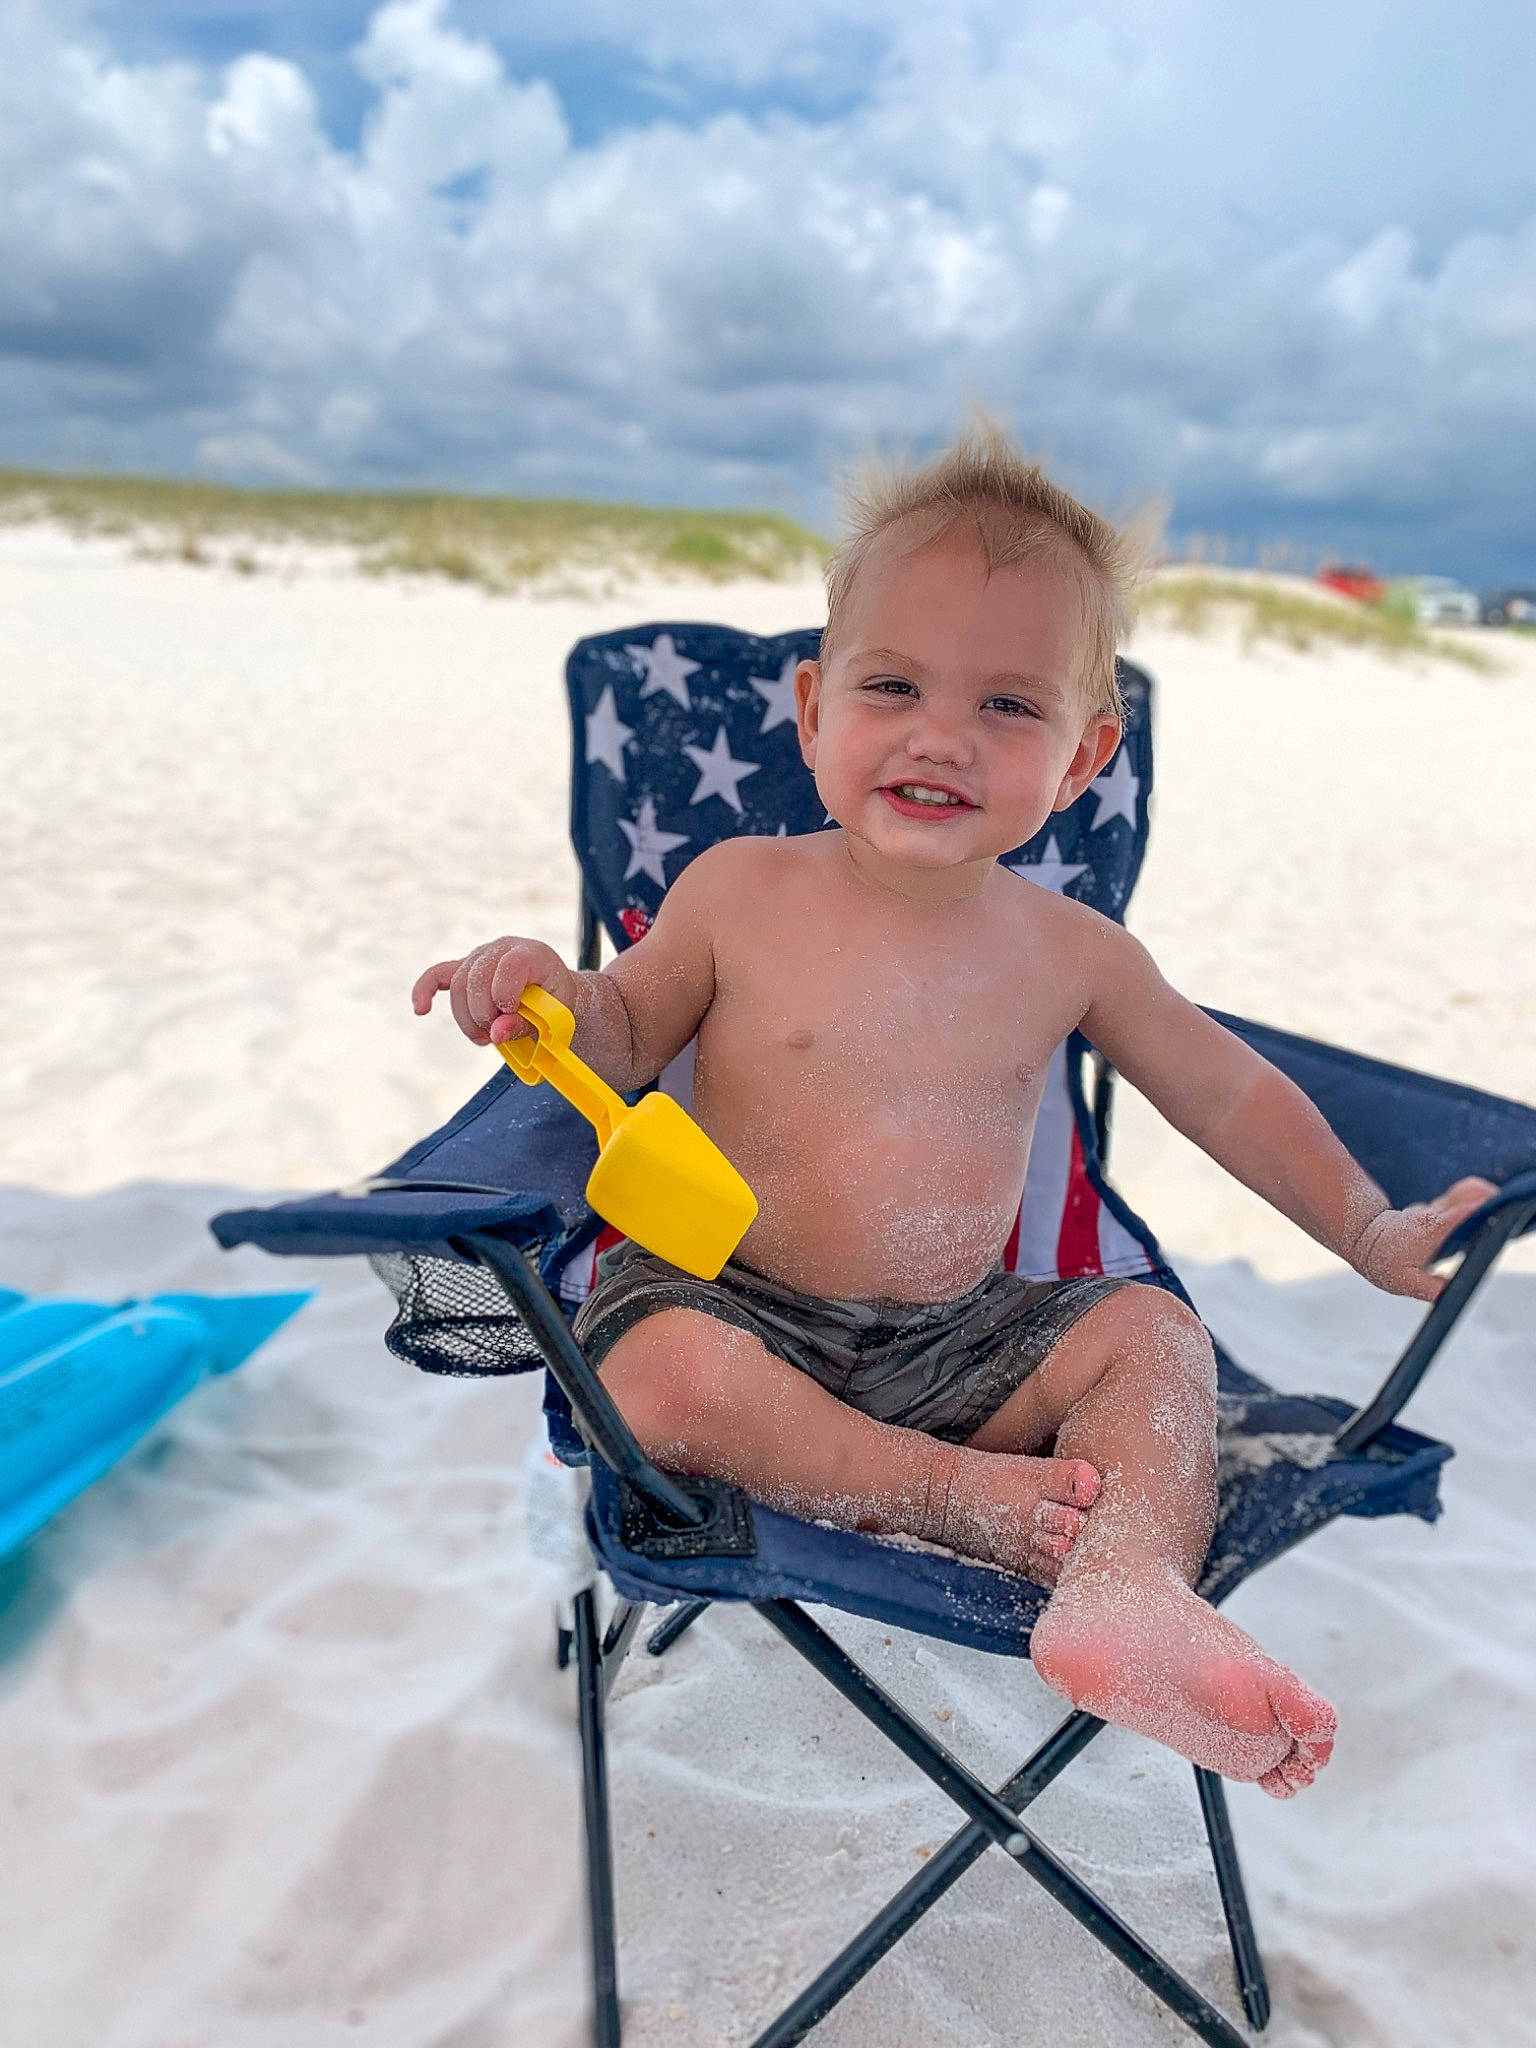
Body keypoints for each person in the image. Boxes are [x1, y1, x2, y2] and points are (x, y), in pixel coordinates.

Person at [413, 424, 1492, 1798]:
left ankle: (1126, 1593)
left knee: (1157, 1340)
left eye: (1008, 706)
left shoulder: (1069, 952)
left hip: (963, 1340)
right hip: (728, 1305)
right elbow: (619, 1035)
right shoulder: (737, 891)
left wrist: (1365, 1225)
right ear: (812, 711)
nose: (941, 736)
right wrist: (545, 992)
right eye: (894, 684)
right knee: (647, 1380)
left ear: (1086, 754)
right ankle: (947, 1503)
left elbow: (1225, 1086)